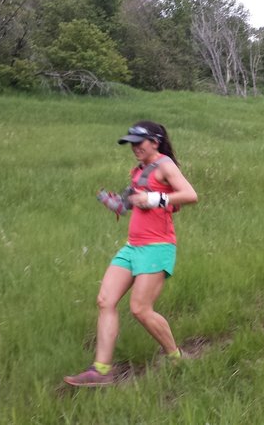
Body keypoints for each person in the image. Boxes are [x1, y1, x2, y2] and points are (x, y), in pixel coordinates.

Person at [64, 121, 198, 387]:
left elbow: (190, 196)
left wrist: (154, 200)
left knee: (140, 309)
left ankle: (176, 357)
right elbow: (142, 203)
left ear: (155, 142)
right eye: (131, 143)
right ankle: (101, 370)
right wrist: (119, 203)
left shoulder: (165, 165)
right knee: (105, 300)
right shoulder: (138, 171)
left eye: (139, 142)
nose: (134, 148)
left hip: (157, 247)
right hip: (133, 246)